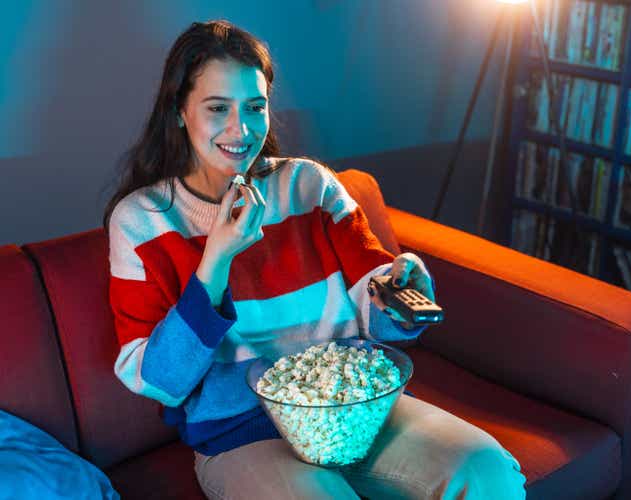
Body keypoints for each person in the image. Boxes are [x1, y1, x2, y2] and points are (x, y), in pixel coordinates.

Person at [104, 19, 526, 500]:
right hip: (239, 432)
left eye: (255, 107)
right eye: (218, 108)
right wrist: (214, 265)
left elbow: (378, 315)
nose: (241, 130)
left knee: (488, 470)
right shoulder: (141, 221)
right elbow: (159, 381)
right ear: (180, 111)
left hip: (355, 408)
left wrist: (400, 294)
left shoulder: (311, 186)